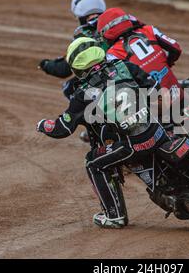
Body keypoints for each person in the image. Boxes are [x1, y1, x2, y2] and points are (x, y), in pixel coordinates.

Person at [36, 37, 169, 229]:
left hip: (132, 144)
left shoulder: (83, 93)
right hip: (157, 130)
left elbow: (61, 129)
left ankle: (114, 216)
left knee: (93, 162)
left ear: (78, 68)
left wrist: (43, 125)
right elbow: (154, 88)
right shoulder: (124, 66)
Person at [97, 8, 183, 102]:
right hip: (179, 94)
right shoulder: (149, 30)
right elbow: (176, 48)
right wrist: (167, 63)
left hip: (156, 107)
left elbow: (120, 84)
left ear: (106, 32)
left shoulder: (112, 54)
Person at [38, 0, 109, 99]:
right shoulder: (118, 20)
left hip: (111, 74)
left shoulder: (83, 33)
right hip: (135, 65)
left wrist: (46, 65)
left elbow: (64, 69)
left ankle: (97, 115)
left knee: (69, 87)